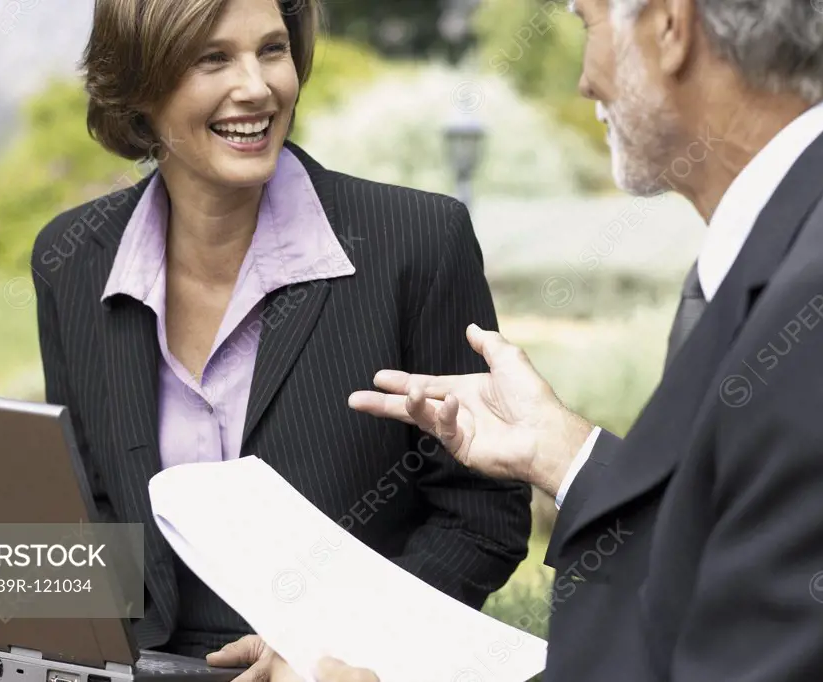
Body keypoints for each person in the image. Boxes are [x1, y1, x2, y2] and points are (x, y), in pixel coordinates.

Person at [347, 0, 823, 680]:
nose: (584, 81)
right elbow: (733, 555)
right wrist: (565, 454)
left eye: (586, 23)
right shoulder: (806, 238)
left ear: (669, 26)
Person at [29, 0, 532, 678]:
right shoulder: (72, 257)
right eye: (213, 58)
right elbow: (88, 517)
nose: (258, 86)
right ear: (139, 86)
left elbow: (481, 515)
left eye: (272, 50)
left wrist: (348, 641)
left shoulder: (416, 242)